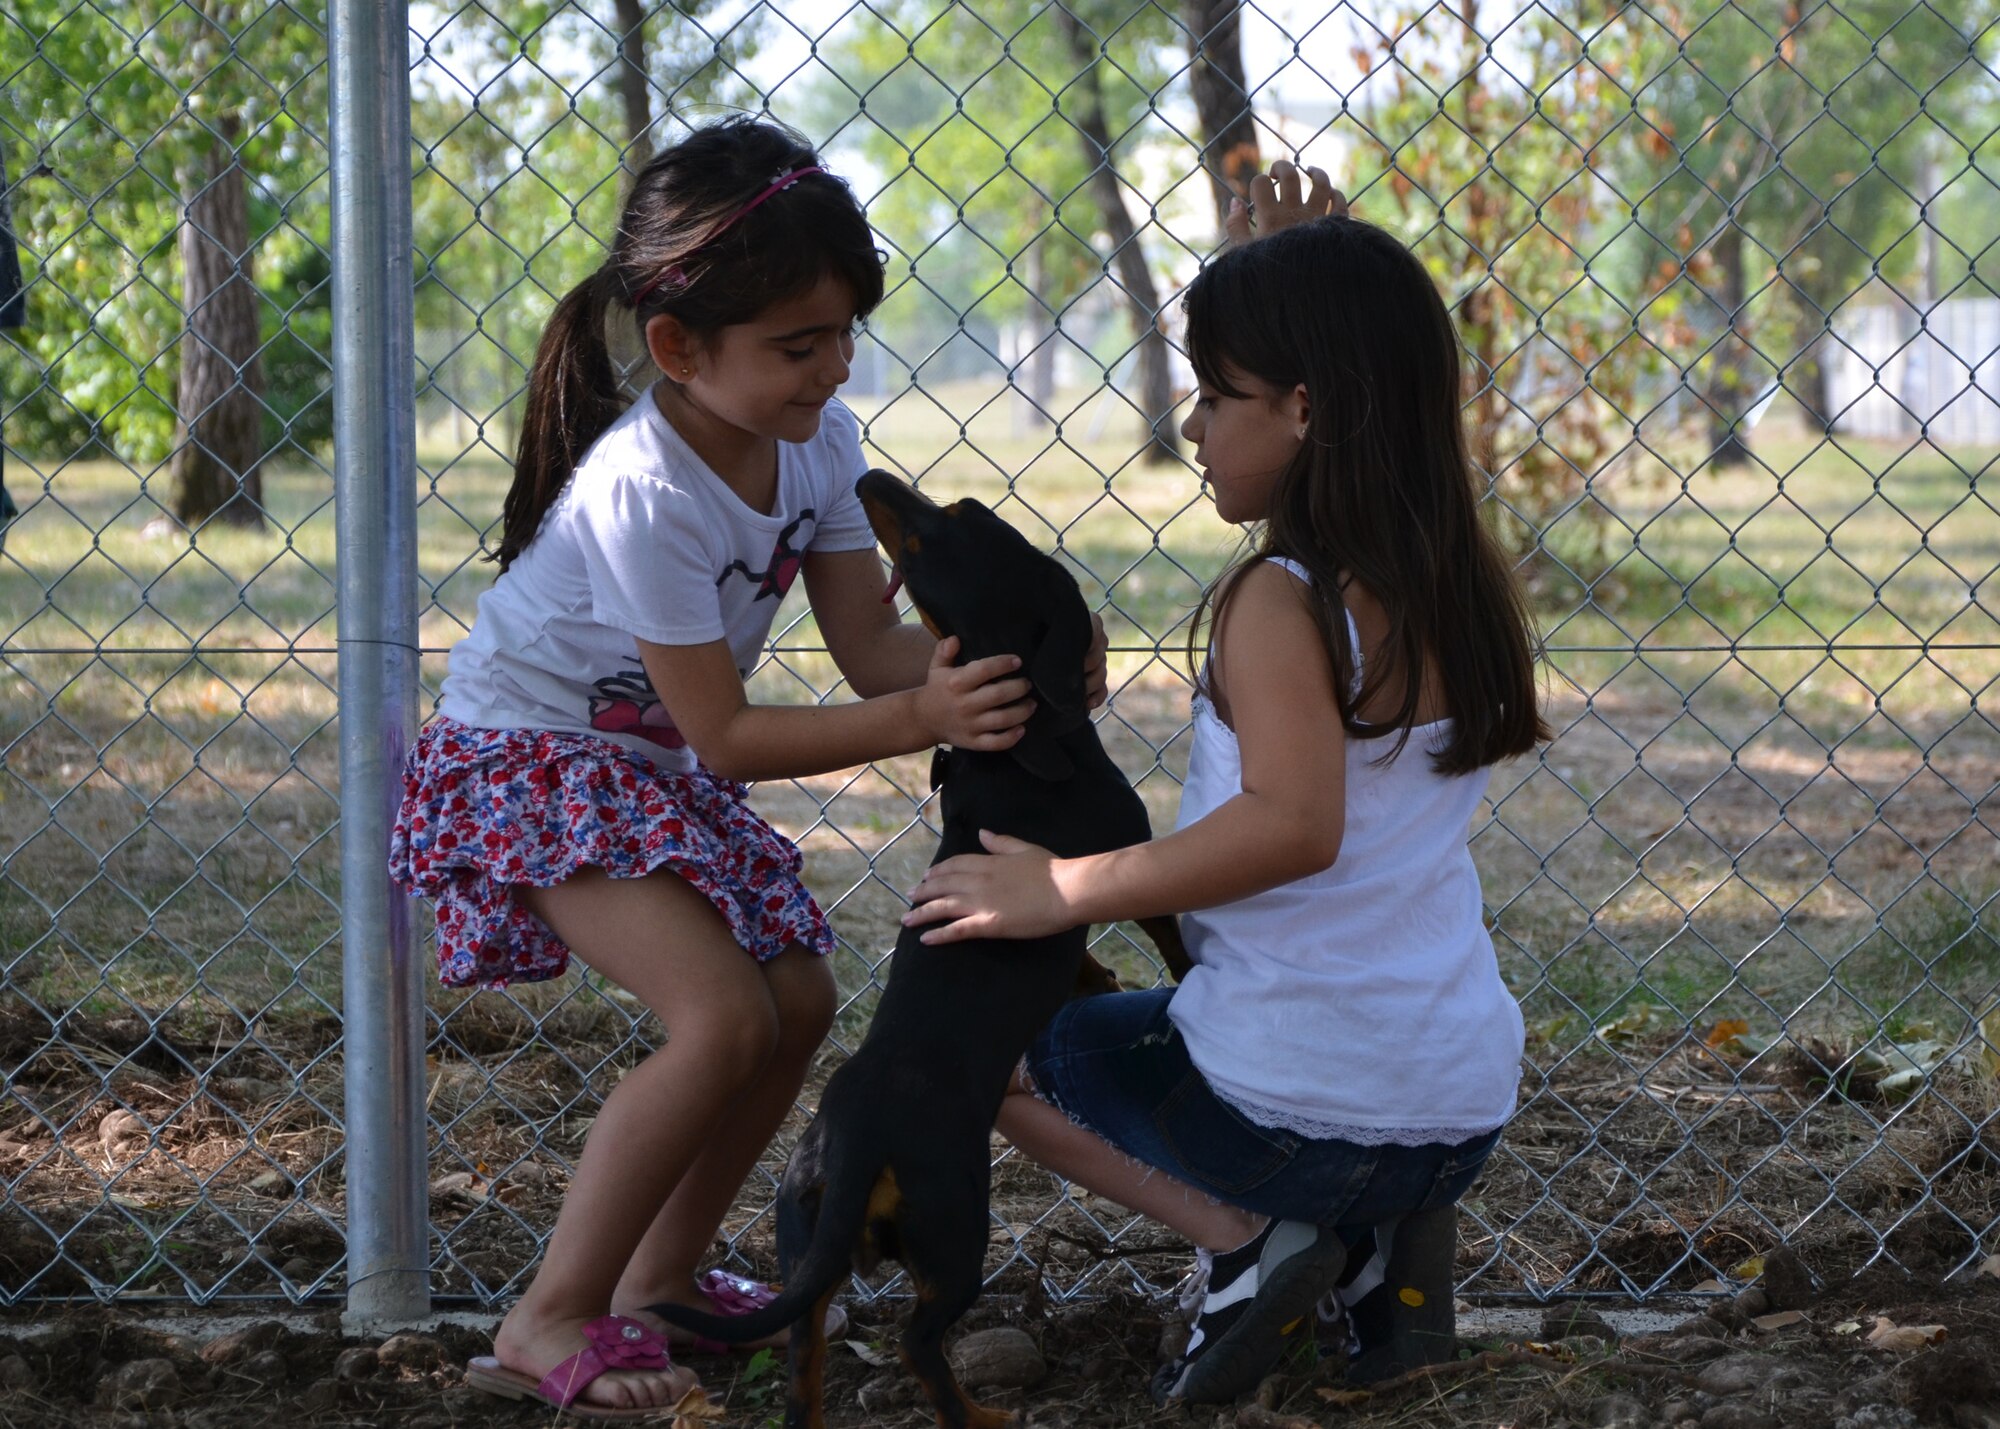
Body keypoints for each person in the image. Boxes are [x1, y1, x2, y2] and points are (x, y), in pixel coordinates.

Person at [389, 116, 1105, 1419]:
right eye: (797, 343)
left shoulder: (818, 445)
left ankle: (660, 1278)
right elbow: (726, 735)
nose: (833, 369)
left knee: (798, 995)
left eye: (844, 334)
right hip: (529, 761)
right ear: (677, 346)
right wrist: (921, 722)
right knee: (722, 1015)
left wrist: (990, 669)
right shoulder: (644, 489)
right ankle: (549, 1314)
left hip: (640, 768)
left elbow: (872, 646)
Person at [903, 160, 1547, 1404]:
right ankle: (1391, 1273)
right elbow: (1370, 374)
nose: (1191, 426)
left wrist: (1063, 890)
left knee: (981, 1062)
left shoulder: (1276, 599)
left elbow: (1292, 826)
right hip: (1454, 1105)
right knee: (1279, 1058)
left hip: (1295, 1113)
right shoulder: (1456, 580)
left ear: (1305, 410)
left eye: (1217, 395)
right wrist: (1305, 272)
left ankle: (1252, 1243)